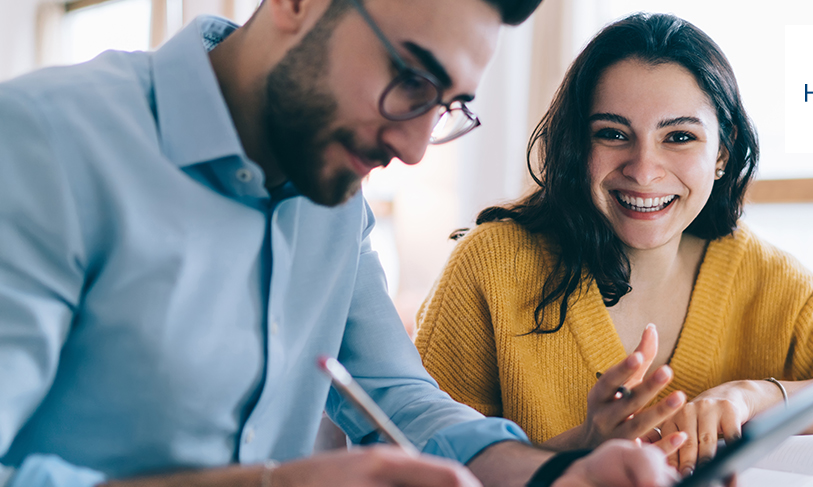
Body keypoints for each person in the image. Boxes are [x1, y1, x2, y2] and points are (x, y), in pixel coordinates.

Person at [0, 0, 685, 485]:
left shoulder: (334, 200)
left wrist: (564, 475)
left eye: (446, 104)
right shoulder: (42, 142)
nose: (415, 147)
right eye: (410, 79)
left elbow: (407, 406)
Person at [415, 12, 813, 476]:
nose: (643, 170)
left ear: (723, 152)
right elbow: (414, 460)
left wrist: (752, 395)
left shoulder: (760, 274)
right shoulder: (491, 266)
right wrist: (581, 448)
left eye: (680, 136)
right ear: (577, 144)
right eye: (612, 134)